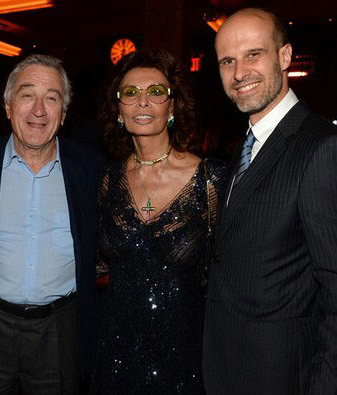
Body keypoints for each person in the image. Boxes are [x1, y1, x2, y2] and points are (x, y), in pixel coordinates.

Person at [0, 54, 106, 394]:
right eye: (27, 95)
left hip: (59, 329)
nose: (39, 110)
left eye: (51, 98)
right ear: (7, 106)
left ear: (63, 114)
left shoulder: (93, 171)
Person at [203, 8, 337, 395]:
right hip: (228, 370)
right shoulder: (246, 145)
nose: (239, 72)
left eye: (253, 54)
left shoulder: (320, 148)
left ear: (284, 56)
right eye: (227, 61)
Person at [91, 48, 226, 393]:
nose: (142, 102)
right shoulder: (109, 179)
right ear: (119, 109)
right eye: (130, 94)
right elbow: (101, 266)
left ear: (172, 106)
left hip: (186, 356)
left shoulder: (210, 179)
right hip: (115, 352)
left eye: (155, 92)